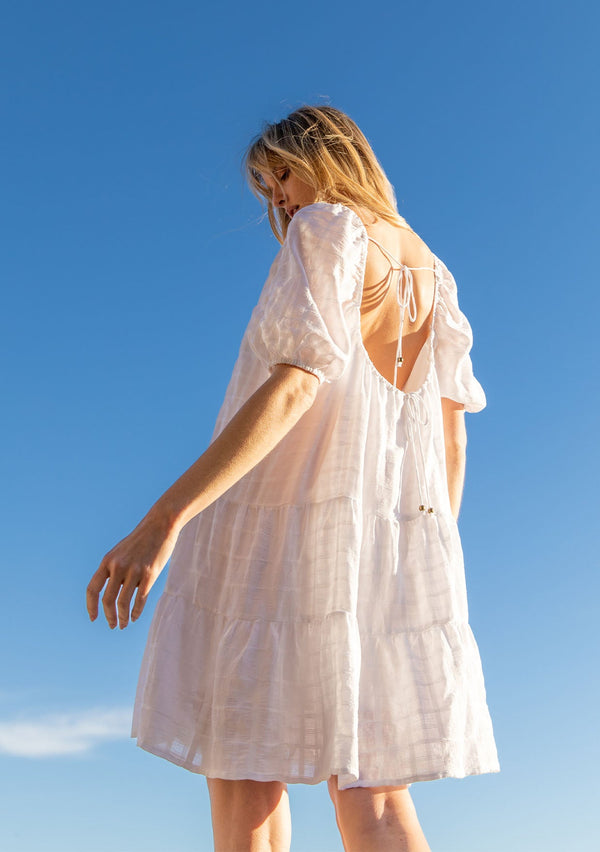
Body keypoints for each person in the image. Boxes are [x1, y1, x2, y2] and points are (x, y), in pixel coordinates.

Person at [87, 105, 500, 852]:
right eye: (265, 186)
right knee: (375, 797)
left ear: (330, 156)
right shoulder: (433, 275)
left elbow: (295, 382)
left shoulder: (328, 230)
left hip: (272, 532)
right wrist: (416, 560)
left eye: (281, 173)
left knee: (244, 770)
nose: (277, 198)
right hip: (386, 552)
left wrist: (163, 520)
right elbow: (452, 435)